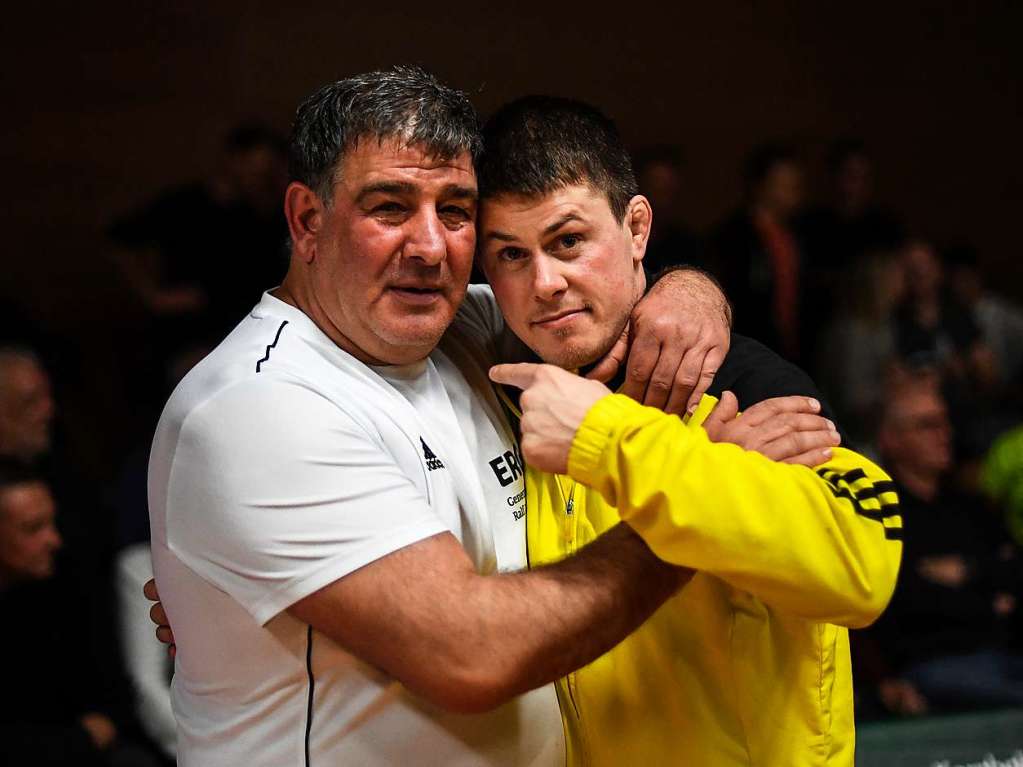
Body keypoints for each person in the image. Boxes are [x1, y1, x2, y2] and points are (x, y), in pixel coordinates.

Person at [148, 66, 755, 766]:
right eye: (389, 206)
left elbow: (607, 300)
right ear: (307, 221)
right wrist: (700, 515)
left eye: (456, 210)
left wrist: (690, 291)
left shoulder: (462, 328)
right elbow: (471, 653)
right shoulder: (254, 407)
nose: (431, 247)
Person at [477, 95, 902, 765]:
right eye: (508, 254)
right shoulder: (503, 380)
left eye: (567, 241)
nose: (545, 282)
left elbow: (861, 569)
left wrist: (607, 438)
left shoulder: (738, 378)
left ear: (636, 228)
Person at [868, 376, 1023, 711]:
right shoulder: (876, 513)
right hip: (931, 666)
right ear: (891, 440)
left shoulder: (971, 505)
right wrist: (990, 601)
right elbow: (900, 599)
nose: (944, 434)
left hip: (1003, 653)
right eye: (927, 425)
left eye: (944, 422)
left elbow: (1016, 571)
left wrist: (967, 570)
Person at [0, 462, 163, 767]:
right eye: (33, 528)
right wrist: (80, 739)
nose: (54, 540)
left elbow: (117, 701)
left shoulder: (62, 588)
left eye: (52, 523)